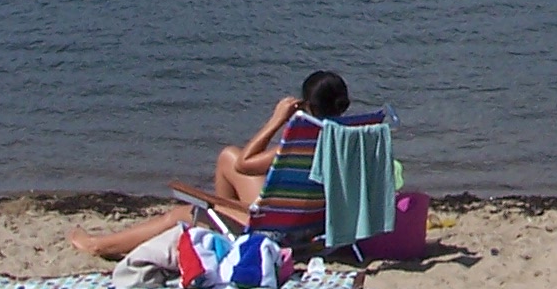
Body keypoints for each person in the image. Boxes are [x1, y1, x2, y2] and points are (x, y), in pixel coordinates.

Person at [68, 70, 354, 259]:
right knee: (227, 155)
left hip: (280, 234)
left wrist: (277, 119)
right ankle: (223, 226)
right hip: (315, 226)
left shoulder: (300, 146)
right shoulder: (352, 139)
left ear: (306, 105)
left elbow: (246, 164)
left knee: (181, 213)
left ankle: (98, 245)